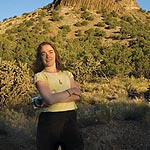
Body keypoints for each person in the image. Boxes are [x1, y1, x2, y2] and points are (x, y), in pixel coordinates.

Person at [33, 41, 84, 150]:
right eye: (43, 53)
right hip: (50, 120)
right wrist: (70, 91)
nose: (48, 56)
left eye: (50, 52)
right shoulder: (40, 76)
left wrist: (53, 98)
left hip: (70, 118)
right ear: (40, 57)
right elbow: (50, 99)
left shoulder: (67, 74)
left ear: (55, 53)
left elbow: (78, 96)